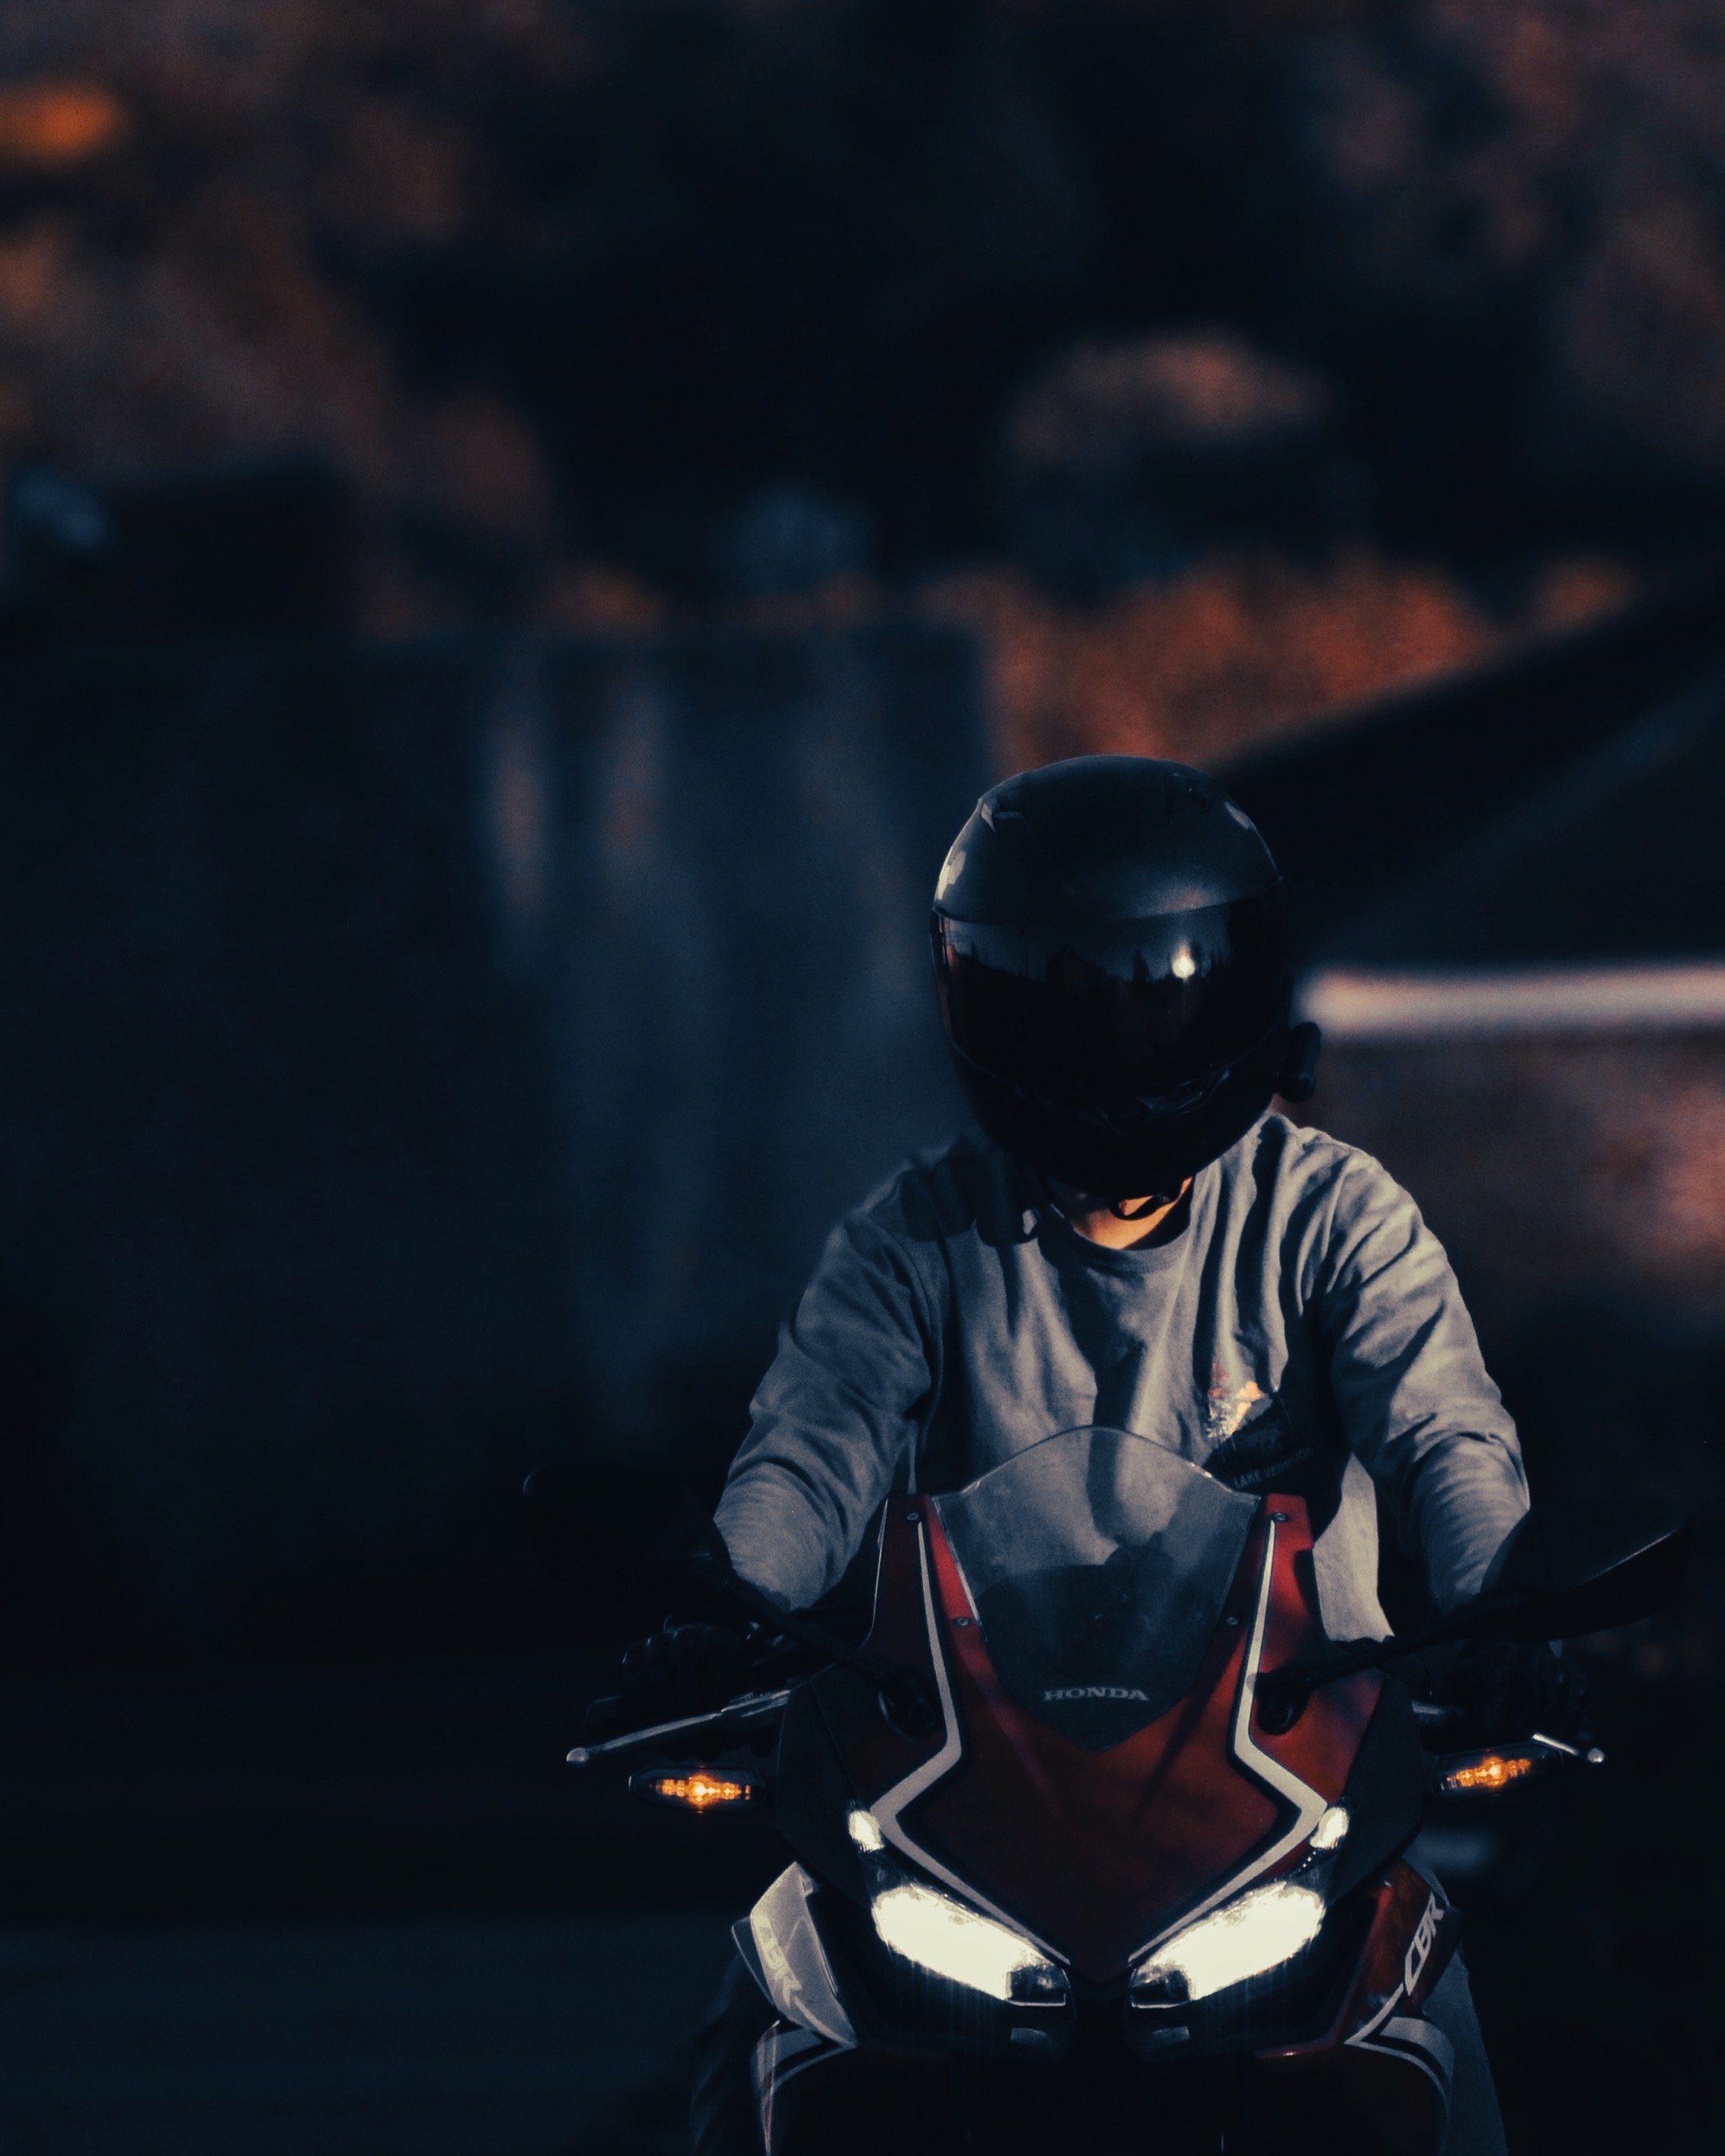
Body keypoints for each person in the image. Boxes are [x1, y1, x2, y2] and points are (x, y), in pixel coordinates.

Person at [633, 756, 1550, 2153]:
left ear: (1240, 986)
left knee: (1423, 2003)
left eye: (1159, 992)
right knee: (776, 1991)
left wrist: (1503, 1606)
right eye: (1066, 1000)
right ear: (982, 1004)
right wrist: (722, 1600)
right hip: (968, 1802)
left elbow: (1444, 1431)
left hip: (1284, 1801)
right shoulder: (915, 1239)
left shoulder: (1334, 1216)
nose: (1120, 1046)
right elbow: (808, 1459)